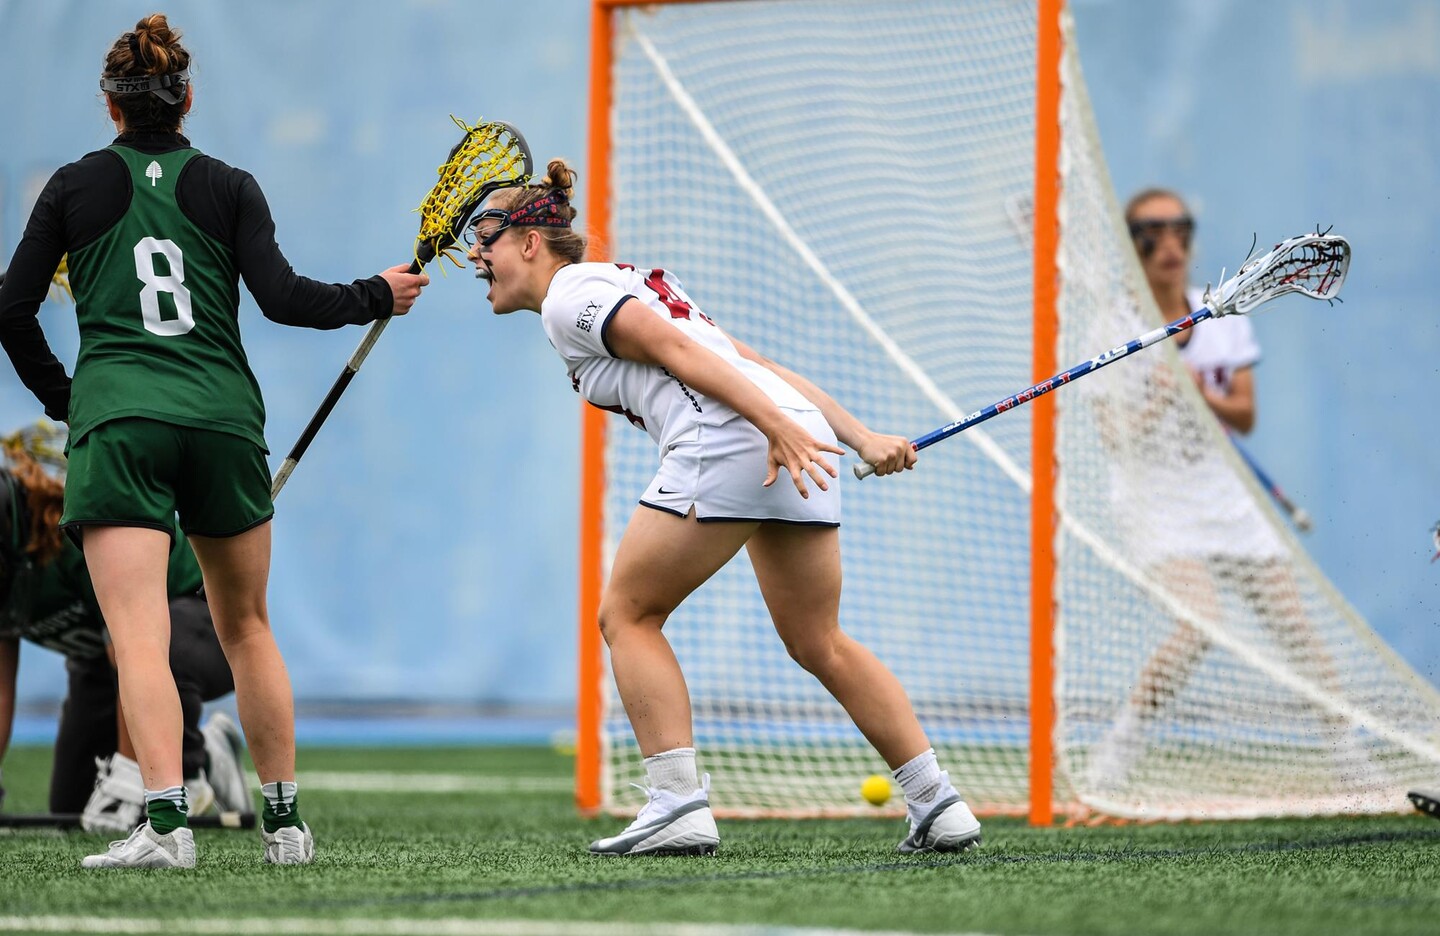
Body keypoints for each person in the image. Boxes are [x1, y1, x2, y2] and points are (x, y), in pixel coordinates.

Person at [0, 13, 427, 868]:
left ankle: (166, 829)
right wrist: (374, 293)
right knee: (249, 627)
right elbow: (284, 298)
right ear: (186, 98)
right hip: (225, 419)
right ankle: (287, 827)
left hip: (121, 424)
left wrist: (73, 404)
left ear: (110, 107)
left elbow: (12, 310)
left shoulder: (72, 187)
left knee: (139, 634)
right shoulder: (231, 184)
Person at [467, 160, 981, 857]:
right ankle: (936, 800)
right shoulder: (623, 281)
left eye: (485, 237)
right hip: (784, 431)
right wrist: (853, 435)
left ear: (531, 241)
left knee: (628, 614)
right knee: (818, 640)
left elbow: (680, 353)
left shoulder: (568, 294)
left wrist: (774, 427)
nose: (474, 254)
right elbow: (750, 360)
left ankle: (676, 804)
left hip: (744, 436)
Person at [1085, 188, 1368, 792]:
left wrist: (1196, 391)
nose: (1169, 244)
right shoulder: (1116, 328)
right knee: (1199, 623)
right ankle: (1117, 752)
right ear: (1133, 245)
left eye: (1179, 229)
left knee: (1299, 631)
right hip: (1154, 501)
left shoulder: (1221, 319)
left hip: (1226, 497)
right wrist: (1160, 399)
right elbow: (1113, 437)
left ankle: (1351, 758)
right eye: (1151, 232)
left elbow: (1243, 415)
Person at [0, 436, 251, 834]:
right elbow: (0, 690)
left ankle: (188, 762)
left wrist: (129, 774)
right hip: (103, 667)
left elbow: (130, 650)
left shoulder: (68, 543)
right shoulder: (12, 567)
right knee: (71, 806)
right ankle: (208, 754)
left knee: (159, 650)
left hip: (194, 623)